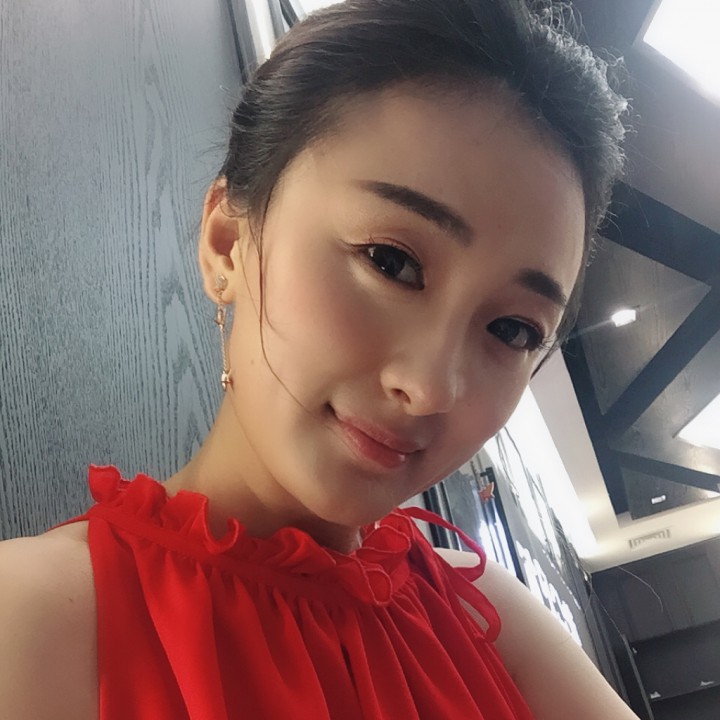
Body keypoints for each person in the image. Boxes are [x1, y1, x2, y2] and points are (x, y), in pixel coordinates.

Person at [0, 0, 639, 718]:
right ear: (226, 243)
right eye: (390, 261)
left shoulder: (487, 616)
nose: (430, 387)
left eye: (514, 330)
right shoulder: (31, 622)